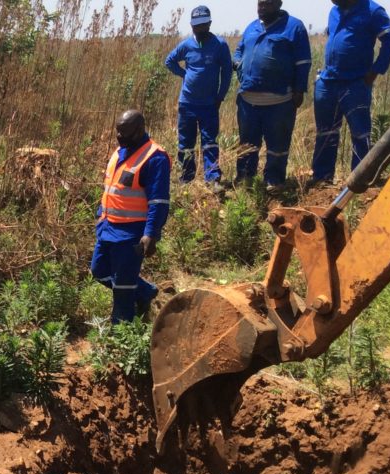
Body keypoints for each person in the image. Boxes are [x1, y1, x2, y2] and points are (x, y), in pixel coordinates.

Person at [90, 111, 170, 324]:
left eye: (123, 132)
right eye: (117, 131)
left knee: (123, 284)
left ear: (138, 131)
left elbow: (159, 202)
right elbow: (111, 188)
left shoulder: (155, 157)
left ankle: (121, 329)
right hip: (107, 227)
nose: (118, 136)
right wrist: (100, 216)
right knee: (98, 271)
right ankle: (144, 292)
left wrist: (150, 234)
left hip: (131, 232)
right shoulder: (120, 152)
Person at [310, 0, 390, 185]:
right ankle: (322, 178)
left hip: (356, 82)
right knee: (326, 132)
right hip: (329, 81)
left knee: (360, 133)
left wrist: (376, 70)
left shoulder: (373, 11)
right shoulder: (334, 11)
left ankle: (359, 180)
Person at [233, 0, 311, 190]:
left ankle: (274, 181)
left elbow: (303, 62)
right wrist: (239, 64)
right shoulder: (252, 27)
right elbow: (238, 51)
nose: (262, 8)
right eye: (260, 4)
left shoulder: (294, 27)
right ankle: (245, 180)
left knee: (278, 145)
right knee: (247, 144)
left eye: (267, 4)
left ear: (279, 4)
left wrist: (299, 90)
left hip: (280, 101)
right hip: (248, 101)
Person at [164, 6, 232, 190]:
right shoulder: (186, 45)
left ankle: (212, 178)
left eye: (203, 25)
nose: (199, 29)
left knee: (210, 141)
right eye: (196, 26)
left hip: (209, 104)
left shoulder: (220, 45)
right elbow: (169, 61)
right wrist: (184, 74)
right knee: (186, 143)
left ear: (209, 23)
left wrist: (220, 96)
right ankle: (186, 178)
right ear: (191, 26)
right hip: (187, 103)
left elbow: (226, 72)